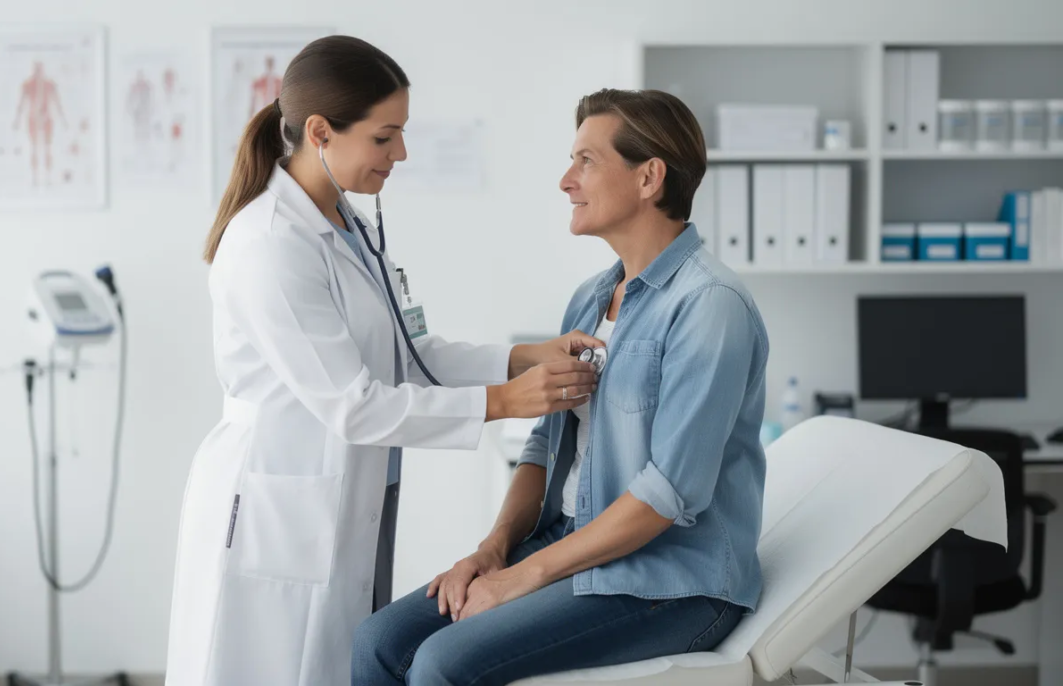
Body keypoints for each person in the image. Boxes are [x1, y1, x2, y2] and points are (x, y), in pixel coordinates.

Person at [164, 35, 600, 686]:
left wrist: (519, 358)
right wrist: (504, 404)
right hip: (279, 496)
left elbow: (408, 352)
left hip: (356, 487)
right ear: (320, 132)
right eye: (384, 136)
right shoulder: (271, 245)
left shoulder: (344, 223)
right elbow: (353, 404)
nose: (401, 153)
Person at [353, 88, 770, 686]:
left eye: (586, 161)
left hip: (672, 583)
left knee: (444, 664)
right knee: (380, 641)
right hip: (571, 547)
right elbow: (543, 453)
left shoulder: (710, 306)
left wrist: (522, 577)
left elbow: (665, 497)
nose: (565, 181)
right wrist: (493, 550)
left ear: (649, 177)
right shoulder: (593, 299)